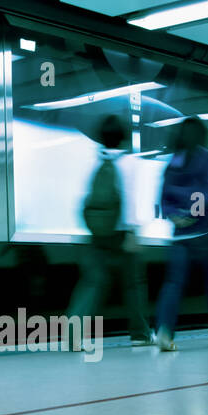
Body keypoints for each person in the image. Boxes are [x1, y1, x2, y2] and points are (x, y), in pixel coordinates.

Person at [66, 115, 152, 347]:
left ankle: (74, 333)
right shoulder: (131, 162)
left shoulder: (95, 160)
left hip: (97, 233)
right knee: (133, 284)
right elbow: (132, 198)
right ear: (124, 138)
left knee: (92, 282)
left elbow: (85, 197)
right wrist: (133, 232)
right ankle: (140, 334)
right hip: (121, 233)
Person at [153, 118, 208, 351]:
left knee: (173, 283)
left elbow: (164, 194)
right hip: (204, 233)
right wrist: (193, 212)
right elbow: (206, 191)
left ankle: (164, 331)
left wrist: (175, 216)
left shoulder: (175, 160)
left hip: (180, 235)